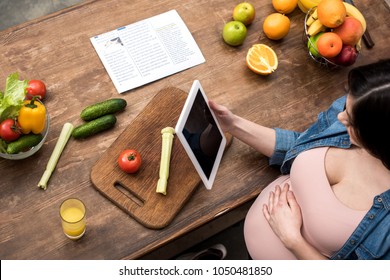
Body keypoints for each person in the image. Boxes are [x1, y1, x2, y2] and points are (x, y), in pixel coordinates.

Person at [209, 59, 390, 260]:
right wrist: (233, 125)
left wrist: (292, 240)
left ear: (378, 137)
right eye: (346, 105)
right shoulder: (363, 103)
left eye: (351, 120)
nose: (341, 117)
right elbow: (301, 143)